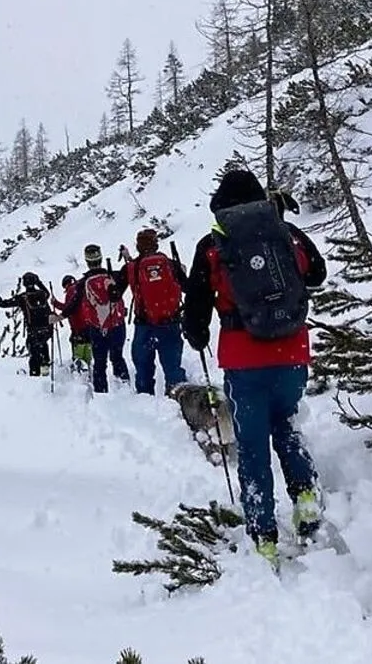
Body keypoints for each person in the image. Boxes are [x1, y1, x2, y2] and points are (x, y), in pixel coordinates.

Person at [181, 169, 328, 568]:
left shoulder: (213, 245)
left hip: (244, 359)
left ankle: (264, 533)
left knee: (251, 444)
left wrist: (195, 335)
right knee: (286, 424)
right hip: (293, 352)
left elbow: (195, 307)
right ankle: (306, 497)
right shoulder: (286, 232)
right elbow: (317, 272)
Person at [51, 244, 130, 393]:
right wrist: (127, 258)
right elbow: (131, 272)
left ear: (87, 261)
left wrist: (59, 316)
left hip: (96, 327)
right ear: (100, 258)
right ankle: (125, 389)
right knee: (118, 358)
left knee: (100, 363)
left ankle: (101, 394)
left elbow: (73, 305)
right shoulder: (114, 276)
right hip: (117, 324)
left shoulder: (82, 283)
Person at [119, 229, 189, 396]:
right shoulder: (169, 263)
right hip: (170, 322)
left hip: (144, 325)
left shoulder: (132, 268)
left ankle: (146, 401)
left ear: (138, 246)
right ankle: (179, 401)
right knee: (173, 367)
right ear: (156, 244)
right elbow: (188, 287)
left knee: (143, 367)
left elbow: (114, 294)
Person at [0, 272, 53, 377]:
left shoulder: (22, 298)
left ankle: (35, 375)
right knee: (43, 345)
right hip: (46, 329)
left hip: (33, 330)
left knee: (34, 351)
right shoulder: (42, 294)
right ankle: (45, 369)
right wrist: (39, 282)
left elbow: (6, 304)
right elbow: (47, 292)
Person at [53, 275, 92, 372]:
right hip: (89, 323)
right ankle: (88, 364)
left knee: (78, 344)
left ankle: (79, 367)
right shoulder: (83, 288)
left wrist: (55, 303)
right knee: (87, 343)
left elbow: (68, 308)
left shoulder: (71, 291)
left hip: (77, 325)